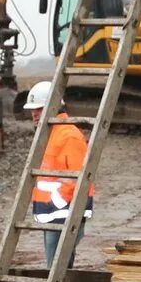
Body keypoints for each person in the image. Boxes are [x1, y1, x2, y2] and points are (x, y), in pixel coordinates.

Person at [26, 80, 94, 268]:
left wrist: (67, 210)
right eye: (32, 109)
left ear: (53, 106)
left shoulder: (68, 135)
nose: (34, 113)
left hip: (64, 211)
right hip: (52, 210)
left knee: (57, 264)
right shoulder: (50, 133)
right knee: (55, 262)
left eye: (39, 108)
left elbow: (78, 177)